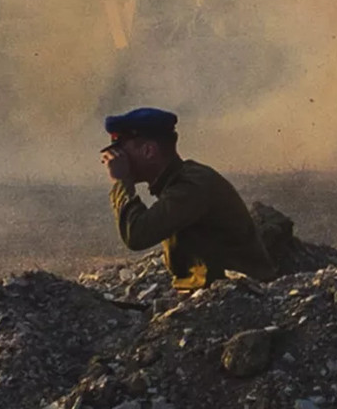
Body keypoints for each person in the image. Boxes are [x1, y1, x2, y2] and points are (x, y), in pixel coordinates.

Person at [99, 108, 276, 290]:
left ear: (148, 151)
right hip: (220, 292)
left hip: (240, 294)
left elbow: (136, 235)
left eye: (121, 153)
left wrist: (121, 182)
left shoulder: (191, 187)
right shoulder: (178, 182)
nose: (116, 160)